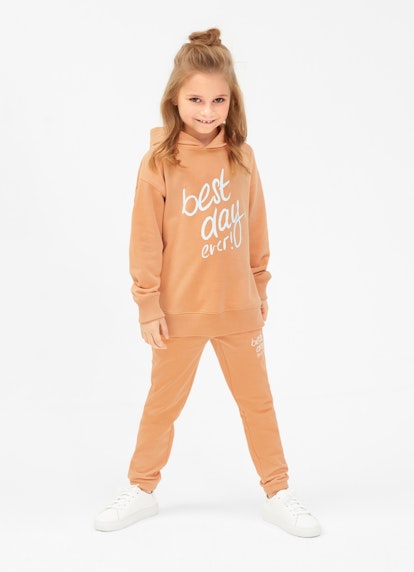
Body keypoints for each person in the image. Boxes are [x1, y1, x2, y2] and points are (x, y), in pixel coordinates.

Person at [94, 28, 321, 538]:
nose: (207, 110)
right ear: (175, 98)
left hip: (239, 309)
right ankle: (142, 488)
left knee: (258, 403)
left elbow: (256, 228)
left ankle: (278, 491)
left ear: (231, 101)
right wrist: (147, 304)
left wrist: (260, 287)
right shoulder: (159, 162)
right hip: (178, 314)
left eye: (219, 100)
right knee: (163, 405)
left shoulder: (242, 157)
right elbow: (145, 240)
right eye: (196, 99)